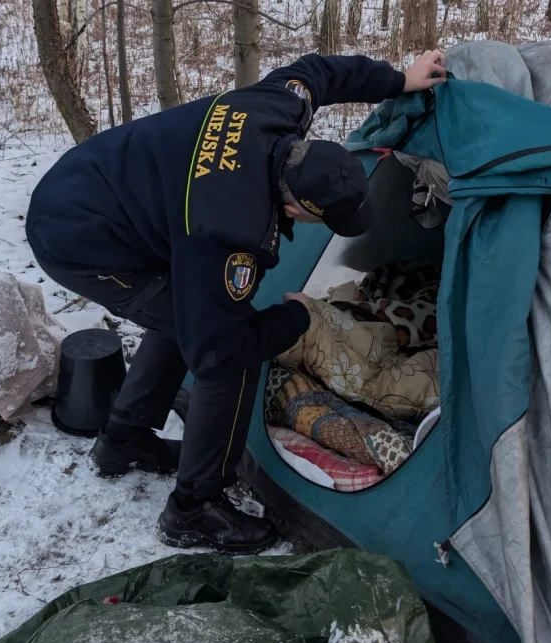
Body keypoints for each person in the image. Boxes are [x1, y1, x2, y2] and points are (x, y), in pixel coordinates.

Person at [26, 50, 447, 554]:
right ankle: (193, 509)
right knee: (232, 357)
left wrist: (399, 79)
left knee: (186, 312)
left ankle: (123, 440)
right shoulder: (230, 235)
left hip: (97, 179)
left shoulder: (279, 108)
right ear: (292, 207)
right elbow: (219, 351)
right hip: (78, 238)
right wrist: (296, 317)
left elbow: (320, 71)